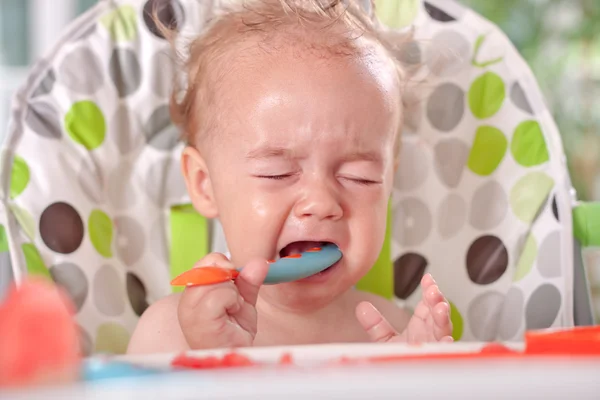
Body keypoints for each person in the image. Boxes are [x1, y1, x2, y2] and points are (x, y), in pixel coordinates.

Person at [127, 0, 453, 354]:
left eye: (360, 177)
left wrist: (419, 376)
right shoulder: (170, 333)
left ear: (389, 181)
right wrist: (212, 359)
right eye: (277, 173)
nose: (321, 203)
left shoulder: (395, 332)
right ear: (206, 186)